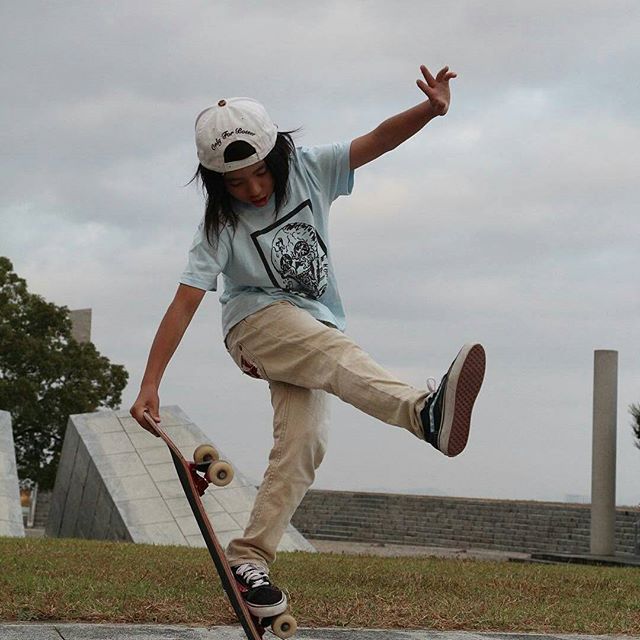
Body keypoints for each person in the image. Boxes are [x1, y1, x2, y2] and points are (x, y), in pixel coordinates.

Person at [130, 64, 485, 620]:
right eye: (235, 183)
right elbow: (184, 303)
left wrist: (431, 109)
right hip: (254, 324)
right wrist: (151, 383)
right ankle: (424, 413)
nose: (250, 190)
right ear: (215, 183)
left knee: (304, 443)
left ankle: (250, 559)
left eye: (258, 176)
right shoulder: (217, 228)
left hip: (313, 324)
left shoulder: (310, 170)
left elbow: (376, 140)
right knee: (335, 355)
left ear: (275, 158)